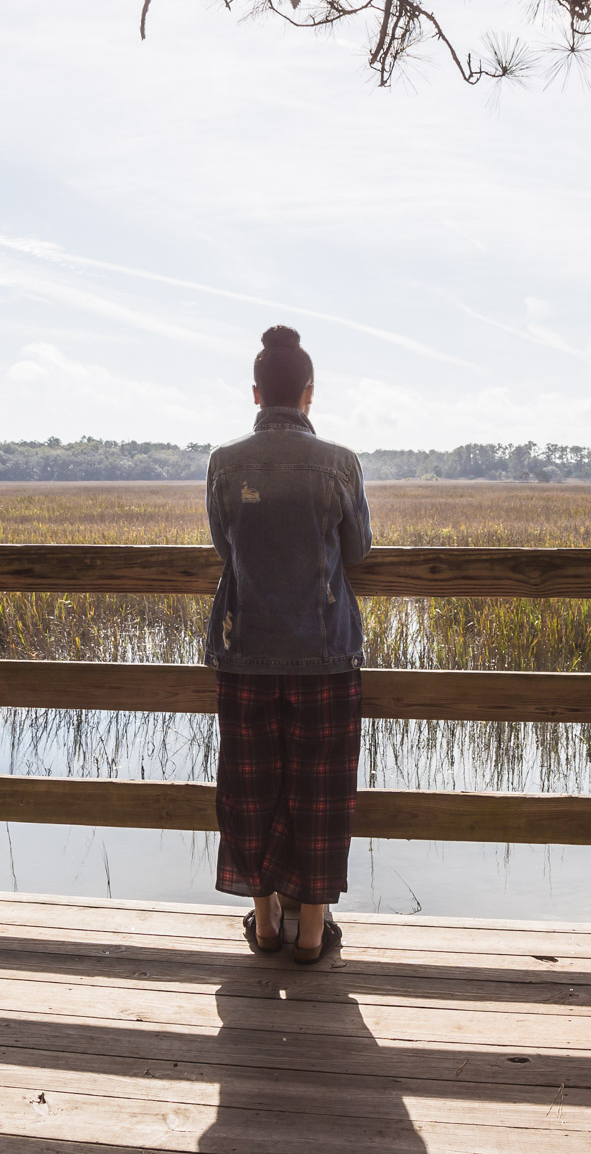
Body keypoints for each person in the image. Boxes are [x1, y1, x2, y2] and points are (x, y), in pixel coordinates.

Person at [204, 325, 372, 964]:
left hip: (245, 646)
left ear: (255, 392)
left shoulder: (225, 463)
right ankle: (311, 933)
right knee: (320, 787)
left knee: (251, 787)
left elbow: (227, 547)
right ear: (308, 394)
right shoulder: (339, 462)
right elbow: (356, 549)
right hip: (324, 652)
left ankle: (266, 922)